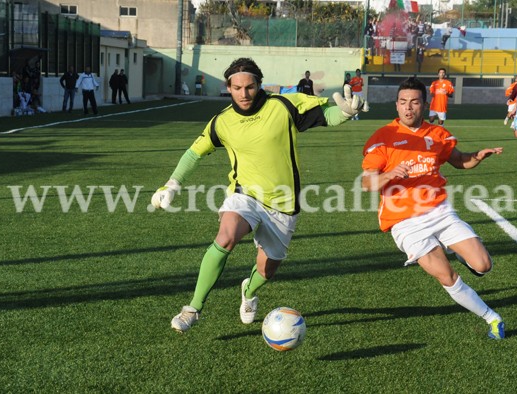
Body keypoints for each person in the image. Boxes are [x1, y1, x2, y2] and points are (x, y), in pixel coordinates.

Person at [151, 57, 367, 334]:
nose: (244, 93)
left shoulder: (283, 105)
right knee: (226, 237)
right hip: (245, 195)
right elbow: (194, 152)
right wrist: (171, 184)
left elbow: (325, 116)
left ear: (259, 85)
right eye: (237, 87)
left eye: (250, 87)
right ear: (228, 87)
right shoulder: (222, 122)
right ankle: (192, 308)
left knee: (267, 270)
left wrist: (346, 113)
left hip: (284, 204)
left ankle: (249, 290)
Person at [361, 77, 505, 340]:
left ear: (424, 105)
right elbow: (367, 182)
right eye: (403, 102)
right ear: (396, 105)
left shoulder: (437, 135)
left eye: (414, 102)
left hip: (439, 212)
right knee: (447, 275)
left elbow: (460, 160)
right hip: (403, 221)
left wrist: (477, 157)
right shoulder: (383, 138)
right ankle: (492, 318)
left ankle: (457, 250)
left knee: (483, 266)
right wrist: (391, 173)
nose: (408, 108)